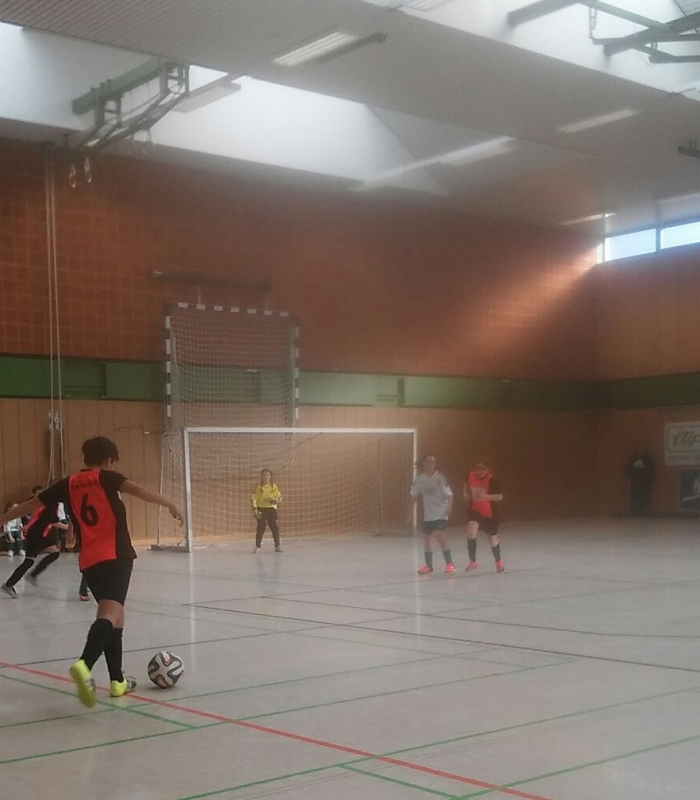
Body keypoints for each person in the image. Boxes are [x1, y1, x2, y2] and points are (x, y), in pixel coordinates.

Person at [0, 436, 183, 707]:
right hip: (117, 555)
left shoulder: (68, 483)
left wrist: (1, 520)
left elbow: (29, 505)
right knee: (111, 613)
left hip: (89, 560)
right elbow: (139, 491)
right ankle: (84, 665)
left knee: (114, 616)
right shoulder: (108, 478)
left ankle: (117, 681)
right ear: (109, 460)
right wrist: (169, 503)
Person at [1, 500, 68, 598]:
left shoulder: (49, 503)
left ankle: (29, 576)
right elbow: (54, 521)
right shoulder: (52, 504)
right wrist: (69, 527)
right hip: (36, 535)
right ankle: (11, 584)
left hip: (37, 534)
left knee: (53, 553)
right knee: (29, 561)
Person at [407, 454, 455, 575]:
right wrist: (409, 513)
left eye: (433, 462)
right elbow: (413, 496)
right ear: (424, 463)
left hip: (440, 512)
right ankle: (428, 566)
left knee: (439, 535)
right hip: (428, 514)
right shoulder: (419, 479)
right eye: (428, 461)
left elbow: (449, 494)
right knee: (427, 539)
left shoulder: (440, 477)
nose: (431, 464)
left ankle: (450, 564)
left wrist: (449, 506)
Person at [464, 461, 505, 573]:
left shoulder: (492, 480)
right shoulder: (470, 475)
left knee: (492, 540)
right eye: (477, 469)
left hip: (490, 513)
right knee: (471, 531)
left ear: (487, 470)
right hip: (475, 510)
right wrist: (466, 494)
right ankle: (472, 562)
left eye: (482, 469)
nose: (479, 471)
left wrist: (485, 496)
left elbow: (500, 497)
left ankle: (498, 562)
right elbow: (466, 485)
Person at [252, 469, 283, 553]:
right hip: (261, 509)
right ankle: (257, 546)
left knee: (275, 527)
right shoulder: (259, 487)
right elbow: (254, 498)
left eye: (267, 475)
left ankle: (277, 546)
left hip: (271, 509)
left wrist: (276, 500)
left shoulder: (273, 487)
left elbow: (279, 497)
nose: (265, 477)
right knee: (260, 528)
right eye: (264, 475)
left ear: (270, 477)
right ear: (261, 477)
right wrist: (255, 509)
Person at [626, 443, 654, 516]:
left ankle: (644, 512)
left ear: (643, 450)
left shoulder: (647, 459)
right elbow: (628, 470)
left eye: (641, 449)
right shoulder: (632, 459)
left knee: (644, 497)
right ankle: (634, 513)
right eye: (638, 449)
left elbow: (651, 470)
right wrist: (628, 481)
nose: (639, 451)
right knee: (635, 497)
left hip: (645, 482)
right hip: (635, 482)